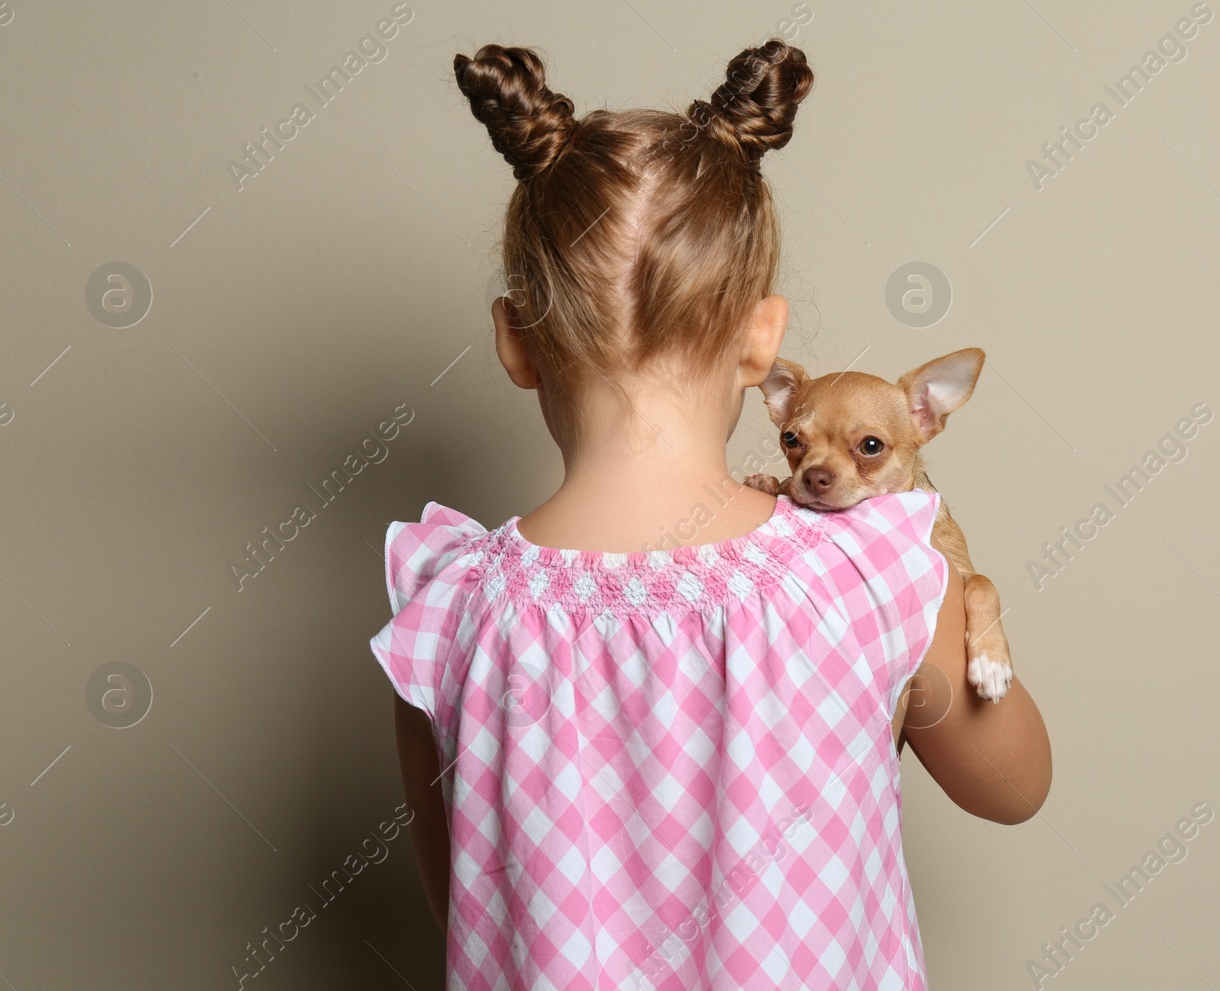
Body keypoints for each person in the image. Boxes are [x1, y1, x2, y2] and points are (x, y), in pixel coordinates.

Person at [370, 39, 1052, 990]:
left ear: (516, 343)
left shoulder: (446, 612)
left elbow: (473, 911)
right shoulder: (870, 569)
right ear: (761, 341)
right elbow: (1016, 787)